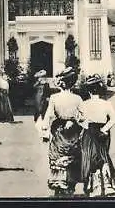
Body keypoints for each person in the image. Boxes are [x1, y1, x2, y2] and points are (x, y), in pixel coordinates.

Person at [78, 74, 115, 197]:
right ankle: (107, 185)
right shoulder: (106, 103)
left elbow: (79, 119)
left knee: (91, 157)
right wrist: (104, 129)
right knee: (103, 156)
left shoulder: (84, 104)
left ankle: (93, 186)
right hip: (103, 132)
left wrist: (87, 126)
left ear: (88, 90)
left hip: (90, 132)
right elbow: (114, 118)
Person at [42, 67, 84, 197]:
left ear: (62, 82)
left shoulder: (54, 98)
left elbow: (48, 116)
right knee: (73, 155)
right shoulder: (78, 98)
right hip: (74, 131)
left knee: (58, 155)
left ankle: (59, 183)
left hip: (59, 130)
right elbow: (82, 117)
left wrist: (45, 129)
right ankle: (71, 183)